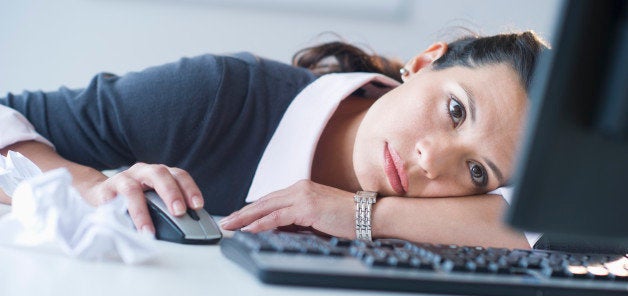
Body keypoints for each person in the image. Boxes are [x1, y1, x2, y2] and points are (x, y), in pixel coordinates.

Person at [0, 31, 548, 249]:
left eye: (477, 170)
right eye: (455, 110)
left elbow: (589, 240)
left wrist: (360, 215)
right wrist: (91, 185)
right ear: (425, 61)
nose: (434, 162)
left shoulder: (458, 217)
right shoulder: (216, 96)